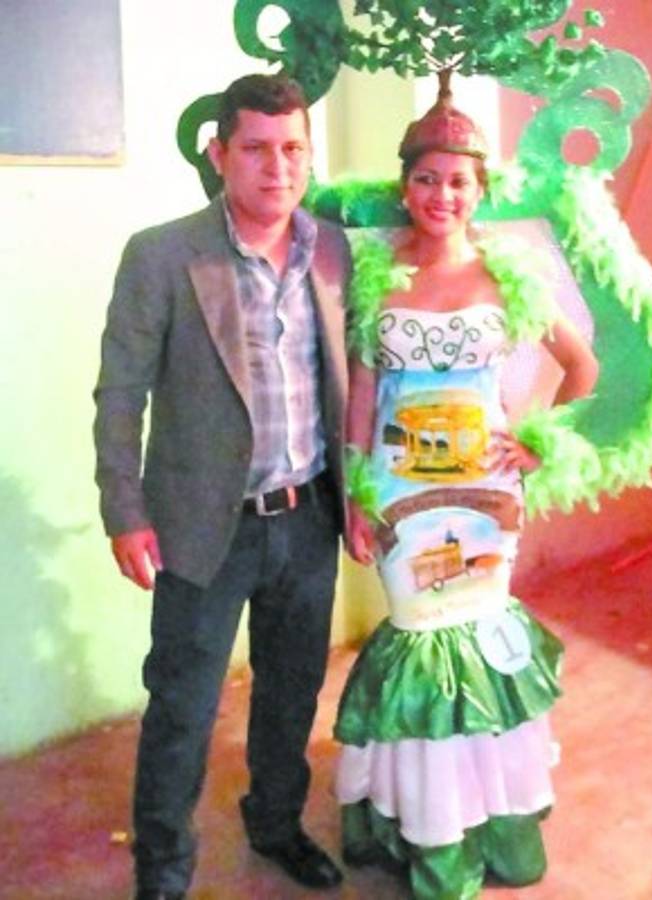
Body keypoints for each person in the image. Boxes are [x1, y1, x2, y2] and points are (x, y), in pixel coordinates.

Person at [333, 73, 599, 900]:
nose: (440, 195)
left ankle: (491, 821)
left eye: (456, 180)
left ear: (479, 189)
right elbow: (362, 393)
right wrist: (353, 493)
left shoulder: (510, 274)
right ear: (404, 185)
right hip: (400, 496)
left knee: (479, 638)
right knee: (419, 634)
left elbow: (580, 367)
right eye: (425, 178)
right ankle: (427, 828)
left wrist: (537, 441)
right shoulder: (376, 273)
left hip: (485, 500)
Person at [93, 73, 350, 900]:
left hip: (306, 516)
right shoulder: (163, 254)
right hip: (203, 526)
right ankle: (162, 871)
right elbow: (120, 393)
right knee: (182, 709)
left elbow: (352, 379)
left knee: (291, 694)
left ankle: (275, 824)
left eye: (292, 149)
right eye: (256, 149)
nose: (278, 167)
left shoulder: (333, 250)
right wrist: (124, 510)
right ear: (219, 154)